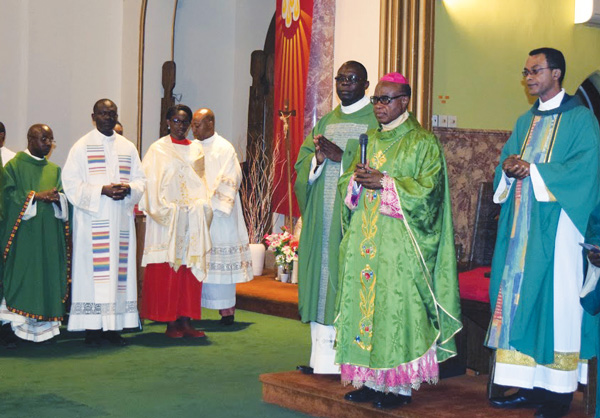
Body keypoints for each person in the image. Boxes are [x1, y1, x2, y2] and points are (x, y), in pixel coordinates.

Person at [335, 72, 461, 409]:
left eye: (385, 99)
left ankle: (398, 388)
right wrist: (355, 182)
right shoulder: (370, 140)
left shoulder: (423, 143)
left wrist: (386, 184)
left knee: (394, 311)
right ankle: (369, 380)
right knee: (366, 311)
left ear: (404, 101)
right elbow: (348, 183)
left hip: (399, 247)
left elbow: (430, 194)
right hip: (365, 241)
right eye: (376, 99)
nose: (378, 106)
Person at [486, 48, 600, 418]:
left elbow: (587, 169)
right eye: (526, 72)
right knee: (522, 301)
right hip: (523, 228)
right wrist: (507, 168)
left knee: (557, 303)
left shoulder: (581, 119)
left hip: (562, 229)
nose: (529, 77)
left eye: (536, 71)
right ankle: (530, 384)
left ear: (557, 73)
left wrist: (532, 171)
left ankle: (559, 393)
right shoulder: (525, 121)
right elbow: (507, 161)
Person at [294, 61, 379, 374]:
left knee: (347, 282)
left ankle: (349, 362)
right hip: (323, 217)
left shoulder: (376, 121)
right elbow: (302, 166)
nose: (344, 84)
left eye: (352, 79)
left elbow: (379, 165)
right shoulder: (326, 121)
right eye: (340, 79)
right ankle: (322, 362)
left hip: (353, 219)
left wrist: (341, 157)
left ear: (365, 85)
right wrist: (317, 158)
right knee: (321, 282)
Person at [62, 99, 146, 346]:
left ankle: (114, 328)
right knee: (91, 273)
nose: (108, 117)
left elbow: (141, 180)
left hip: (119, 220)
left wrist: (128, 188)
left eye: (112, 113)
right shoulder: (81, 147)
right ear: (93, 116)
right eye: (103, 113)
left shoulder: (128, 147)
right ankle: (92, 328)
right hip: (93, 221)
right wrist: (102, 190)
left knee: (119, 274)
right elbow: (70, 183)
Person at [139, 104, 212, 338]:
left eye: (185, 122)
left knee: (189, 270)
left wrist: (201, 206)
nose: (180, 126)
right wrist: (168, 210)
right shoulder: (157, 150)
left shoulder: (197, 150)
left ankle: (186, 320)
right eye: (176, 121)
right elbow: (149, 185)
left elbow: (202, 183)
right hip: (167, 221)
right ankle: (170, 322)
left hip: (192, 219)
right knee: (168, 271)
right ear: (168, 122)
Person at [0, 124, 69, 343]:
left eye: (51, 140)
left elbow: (67, 200)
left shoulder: (55, 170)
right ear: (30, 139)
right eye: (43, 139)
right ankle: (14, 329)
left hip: (48, 238)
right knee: (23, 279)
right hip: (24, 239)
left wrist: (60, 199)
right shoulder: (13, 167)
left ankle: (45, 328)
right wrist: (35, 197)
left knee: (46, 278)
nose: (48, 144)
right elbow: (7, 199)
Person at [191, 108, 253, 326]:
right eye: (192, 124)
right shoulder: (191, 149)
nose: (193, 128)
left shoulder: (224, 148)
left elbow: (232, 177)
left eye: (197, 124)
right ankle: (191, 309)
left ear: (211, 123)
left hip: (220, 215)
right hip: (197, 214)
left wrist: (209, 201)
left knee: (221, 268)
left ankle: (227, 312)